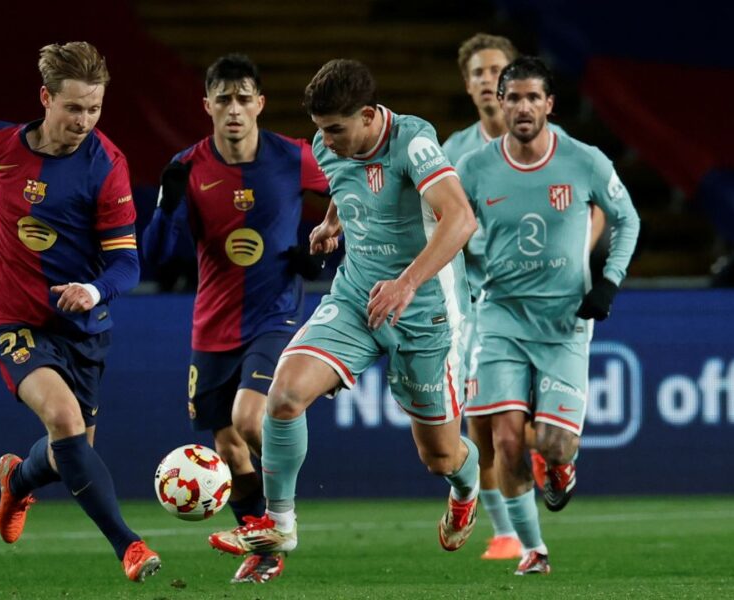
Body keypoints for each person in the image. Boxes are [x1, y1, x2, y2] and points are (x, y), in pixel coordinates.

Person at [208, 59, 481, 567]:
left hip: (426, 312)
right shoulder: (325, 144)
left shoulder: (412, 141)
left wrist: (405, 284)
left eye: (336, 130)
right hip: (356, 297)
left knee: (439, 456)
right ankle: (280, 525)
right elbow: (345, 183)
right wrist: (334, 222)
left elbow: (460, 217)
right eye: (320, 130)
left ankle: (466, 489)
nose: (326, 142)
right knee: (284, 396)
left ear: (369, 115)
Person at [0, 41, 160, 583]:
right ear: (46, 98)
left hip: (82, 327)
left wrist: (94, 291)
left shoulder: (107, 167)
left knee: (67, 454)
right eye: (74, 108)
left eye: (95, 109)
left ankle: (17, 479)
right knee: (64, 420)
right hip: (12, 319)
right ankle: (131, 545)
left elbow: (127, 263)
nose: (85, 121)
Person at [142, 53, 329, 584]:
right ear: (207, 106)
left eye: (244, 98)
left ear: (260, 104)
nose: (234, 109)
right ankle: (265, 548)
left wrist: (322, 248)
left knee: (252, 421)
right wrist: (166, 205)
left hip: (275, 316)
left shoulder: (293, 157)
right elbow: (158, 253)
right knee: (226, 445)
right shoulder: (188, 166)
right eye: (223, 99)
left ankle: (281, 516)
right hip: (213, 324)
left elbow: (349, 197)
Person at [457, 56, 640, 575]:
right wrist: (462, 280)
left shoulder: (584, 161)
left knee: (556, 445)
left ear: (549, 104)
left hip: (564, 322)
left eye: (533, 97)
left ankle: (559, 467)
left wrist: (608, 281)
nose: (522, 107)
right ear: (500, 101)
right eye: (512, 97)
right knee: (505, 437)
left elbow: (628, 220)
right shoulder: (475, 168)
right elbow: (446, 226)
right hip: (501, 318)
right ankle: (533, 550)